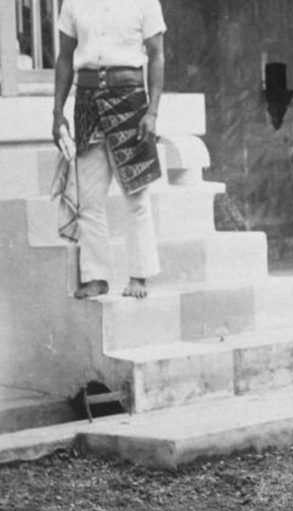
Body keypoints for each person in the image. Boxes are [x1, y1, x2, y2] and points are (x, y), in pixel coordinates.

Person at [52, 0, 166, 299]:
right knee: (89, 198)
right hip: (87, 104)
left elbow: (156, 55)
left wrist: (152, 112)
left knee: (136, 194)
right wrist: (57, 112)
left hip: (131, 104)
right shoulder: (73, 3)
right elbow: (65, 57)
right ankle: (96, 276)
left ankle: (139, 275)